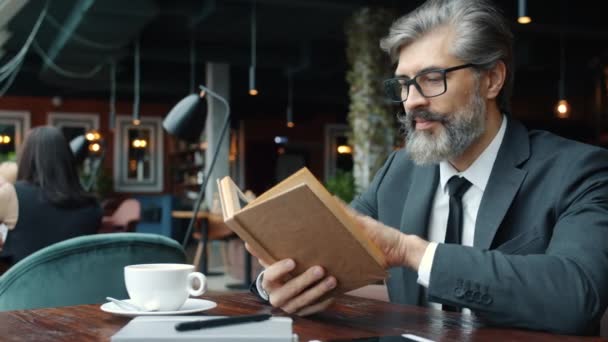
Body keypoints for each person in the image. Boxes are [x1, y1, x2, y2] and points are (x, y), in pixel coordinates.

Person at [247, 0, 608, 335]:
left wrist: (411, 252)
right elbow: (331, 256)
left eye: (433, 79)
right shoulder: (399, 172)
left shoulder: (578, 171)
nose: (413, 101)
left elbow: (578, 295)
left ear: (492, 79)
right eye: (403, 84)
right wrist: (275, 285)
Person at [0, 126, 102, 265]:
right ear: (67, 160)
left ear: (27, 157)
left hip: (23, 284)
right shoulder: (92, 205)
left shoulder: (12, 194)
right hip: (76, 284)